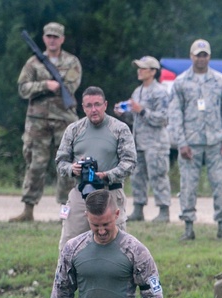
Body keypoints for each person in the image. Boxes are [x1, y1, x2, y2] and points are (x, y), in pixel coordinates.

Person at [11, 22, 82, 222]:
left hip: (64, 120)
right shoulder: (33, 63)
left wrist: (55, 85)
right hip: (37, 121)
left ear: (62, 39)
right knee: (35, 163)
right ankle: (28, 210)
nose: (52, 40)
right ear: (44, 38)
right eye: (49, 36)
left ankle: (65, 213)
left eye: (56, 36)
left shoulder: (72, 62)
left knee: (67, 166)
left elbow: (70, 85)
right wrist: (45, 85)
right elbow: (23, 88)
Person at [168, 38, 222, 241]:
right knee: (188, 186)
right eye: (197, 55)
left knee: (220, 185)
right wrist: (180, 142)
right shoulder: (181, 82)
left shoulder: (220, 80)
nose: (201, 58)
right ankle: (188, 227)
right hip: (190, 142)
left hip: (216, 141)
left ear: (209, 56)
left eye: (204, 55)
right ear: (191, 57)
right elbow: (175, 114)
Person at [55, 86, 136, 251]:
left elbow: (130, 162)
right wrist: (73, 169)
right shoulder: (74, 130)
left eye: (97, 104)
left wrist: (106, 175)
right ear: (83, 108)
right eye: (89, 106)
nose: (94, 110)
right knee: (70, 244)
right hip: (81, 192)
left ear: (105, 105)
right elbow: (60, 161)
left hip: (110, 192)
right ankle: (68, 276)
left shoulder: (119, 129)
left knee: (116, 246)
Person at [115, 56, 172, 223]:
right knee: (137, 176)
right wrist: (124, 112)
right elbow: (135, 119)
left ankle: (164, 211)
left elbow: (162, 119)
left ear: (153, 71)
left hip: (156, 143)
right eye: (138, 68)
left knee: (158, 176)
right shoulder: (137, 91)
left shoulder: (159, 92)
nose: (139, 71)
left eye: (143, 68)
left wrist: (142, 110)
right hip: (138, 141)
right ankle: (138, 209)